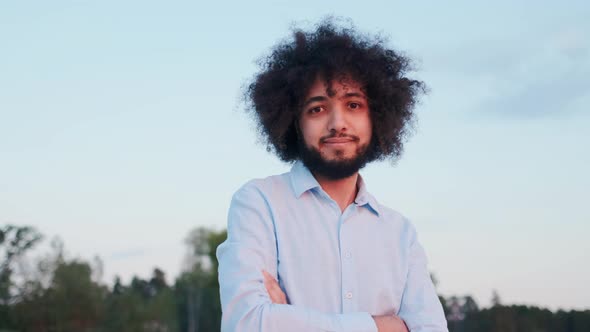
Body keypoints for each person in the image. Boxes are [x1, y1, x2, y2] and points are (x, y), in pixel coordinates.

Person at [216, 19, 448, 332]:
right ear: (294, 122)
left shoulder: (400, 234)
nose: (337, 123)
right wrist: (386, 327)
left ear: (376, 117)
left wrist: (290, 321)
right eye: (317, 109)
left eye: (353, 105)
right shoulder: (259, 203)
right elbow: (246, 324)